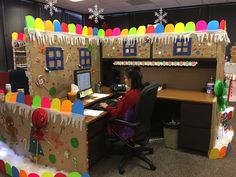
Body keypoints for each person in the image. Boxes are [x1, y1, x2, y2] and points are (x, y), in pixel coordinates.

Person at [100, 66, 142, 137]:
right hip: (131, 122)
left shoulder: (129, 95)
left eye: (125, 78)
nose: (124, 80)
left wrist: (107, 106)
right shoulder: (138, 91)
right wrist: (122, 99)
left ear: (131, 80)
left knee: (100, 120)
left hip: (121, 126)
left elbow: (117, 114)